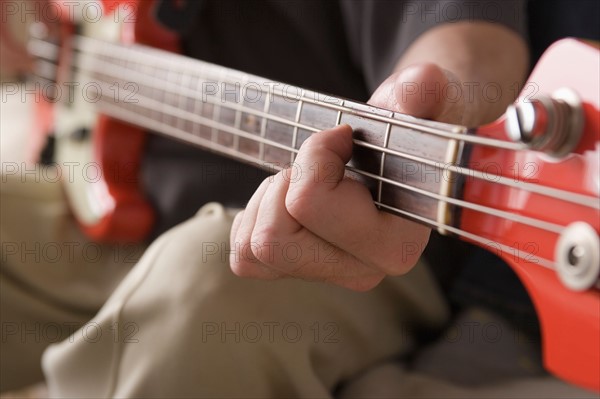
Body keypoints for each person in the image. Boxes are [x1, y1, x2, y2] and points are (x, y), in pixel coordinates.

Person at [0, 0, 597, 397]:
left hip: (357, 240)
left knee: (200, 285)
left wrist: (425, 107)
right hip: (97, 199)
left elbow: (464, 42)